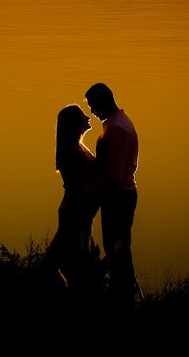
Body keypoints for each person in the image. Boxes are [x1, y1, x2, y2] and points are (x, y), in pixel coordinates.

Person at [85, 82, 139, 314]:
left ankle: (123, 299)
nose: (92, 112)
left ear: (102, 101)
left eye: (92, 106)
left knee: (117, 248)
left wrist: (90, 190)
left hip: (119, 196)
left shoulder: (116, 129)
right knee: (119, 248)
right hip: (122, 194)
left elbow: (114, 174)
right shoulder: (118, 123)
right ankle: (124, 296)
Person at [46, 104, 101, 296]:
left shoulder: (78, 148)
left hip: (81, 215)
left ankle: (73, 298)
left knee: (76, 262)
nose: (88, 117)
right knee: (56, 262)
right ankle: (69, 299)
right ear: (73, 124)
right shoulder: (71, 152)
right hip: (74, 213)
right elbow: (79, 186)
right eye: (82, 116)